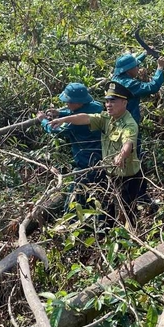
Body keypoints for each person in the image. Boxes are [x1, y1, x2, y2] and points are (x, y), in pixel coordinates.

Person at [49, 82, 146, 226]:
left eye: (113, 101)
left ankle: (131, 239)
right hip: (110, 173)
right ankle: (107, 235)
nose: (108, 104)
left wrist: (121, 155)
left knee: (127, 212)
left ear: (124, 102)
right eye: (107, 101)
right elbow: (85, 117)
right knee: (108, 211)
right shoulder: (106, 118)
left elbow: (128, 142)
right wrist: (63, 118)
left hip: (127, 176)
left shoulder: (129, 123)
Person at [37, 83, 104, 207]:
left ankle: (73, 220)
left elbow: (54, 129)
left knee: (77, 198)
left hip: (86, 162)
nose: (66, 104)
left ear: (78, 103)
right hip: (102, 157)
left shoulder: (74, 125)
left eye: (68, 102)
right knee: (98, 193)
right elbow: (79, 113)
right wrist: (60, 113)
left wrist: (43, 120)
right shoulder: (97, 107)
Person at [111, 52, 164, 126]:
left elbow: (128, 65)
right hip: (128, 124)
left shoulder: (116, 77)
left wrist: (144, 54)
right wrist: (160, 68)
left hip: (118, 121)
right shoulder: (129, 84)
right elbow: (152, 87)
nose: (138, 68)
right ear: (129, 70)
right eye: (136, 66)